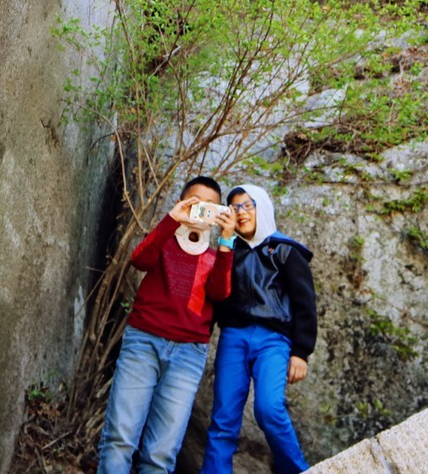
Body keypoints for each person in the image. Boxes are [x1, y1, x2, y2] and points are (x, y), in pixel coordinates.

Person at [98, 175, 238, 474]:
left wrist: (226, 241)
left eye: (212, 207)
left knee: (161, 455)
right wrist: (172, 220)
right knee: (119, 439)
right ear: (182, 202)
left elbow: (219, 293)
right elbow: (139, 259)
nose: (203, 211)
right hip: (143, 341)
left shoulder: (215, 256)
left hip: (189, 354)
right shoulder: (163, 240)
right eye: (196, 202)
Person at [200, 183, 317, 474]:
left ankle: (298, 470)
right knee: (224, 417)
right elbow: (217, 294)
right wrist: (224, 245)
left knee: (268, 408)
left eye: (247, 205)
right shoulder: (230, 250)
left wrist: (301, 352)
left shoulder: (286, 250)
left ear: (261, 206)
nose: (241, 213)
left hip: (273, 340)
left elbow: (305, 304)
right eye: (234, 207)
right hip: (234, 338)